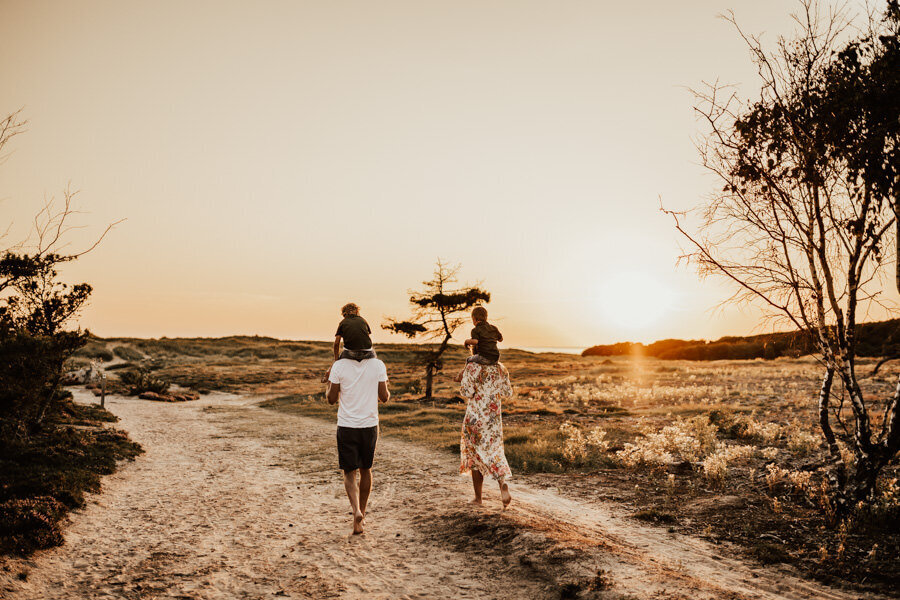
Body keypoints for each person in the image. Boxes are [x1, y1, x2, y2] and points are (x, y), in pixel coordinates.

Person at [326, 351, 390, 534]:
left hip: (347, 426)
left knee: (349, 472)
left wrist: (329, 382)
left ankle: (356, 511)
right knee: (366, 469)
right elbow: (385, 397)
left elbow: (331, 399)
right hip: (369, 426)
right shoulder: (378, 365)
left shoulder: (338, 366)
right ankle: (361, 517)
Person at [458, 358, 513, 509]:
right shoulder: (500, 367)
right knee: (494, 451)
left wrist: (462, 378)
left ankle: (478, 498)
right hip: (493, 419)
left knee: (474, 455)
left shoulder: (472, 366)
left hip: (475, 417)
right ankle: (502, 483)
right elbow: (508, 392)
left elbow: (466, 392)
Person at [322, 302, 376, 382]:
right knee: (375, 365)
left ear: (344, 314)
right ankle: (378, 380)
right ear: (357, 311)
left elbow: (337, 343)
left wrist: (336, 360)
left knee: (337, 366)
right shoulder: (363, 321)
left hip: (350, 352)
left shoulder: (343, 322)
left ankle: (328, 376)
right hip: (367, 352)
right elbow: (366, 336)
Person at [455, 306, 502, 382]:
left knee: (468, 359)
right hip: (495, 358)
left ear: (474, 318)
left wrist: (467, 341)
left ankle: (463, 377)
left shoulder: (475, 330)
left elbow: (475, 342)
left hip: (484, 357)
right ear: (486, 317)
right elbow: (500, 339)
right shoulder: (493, 328)